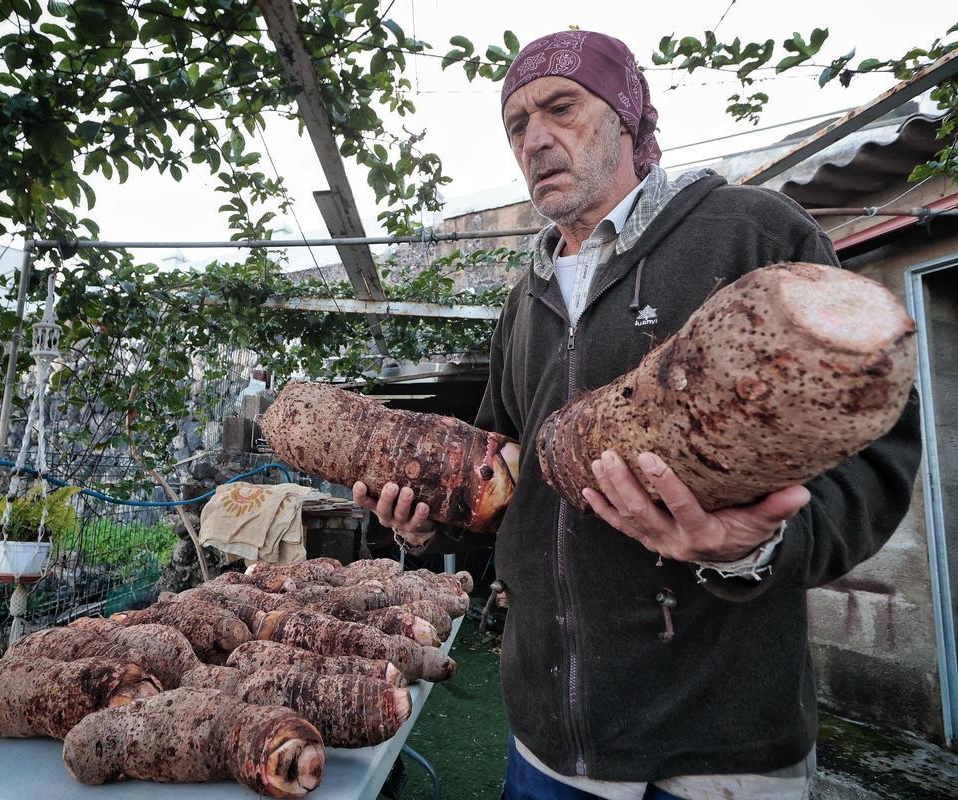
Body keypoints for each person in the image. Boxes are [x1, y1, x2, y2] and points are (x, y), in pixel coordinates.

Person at [353, 30, 921, 800]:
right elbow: (506, 478)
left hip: (719, 744)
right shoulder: (525, 297)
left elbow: (875, 451)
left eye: (561, 108)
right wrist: (432, 520)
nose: (536, 139)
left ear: (626, 118)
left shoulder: (750, 230)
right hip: (549, 735)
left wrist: (747, 550)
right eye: (517, 124)